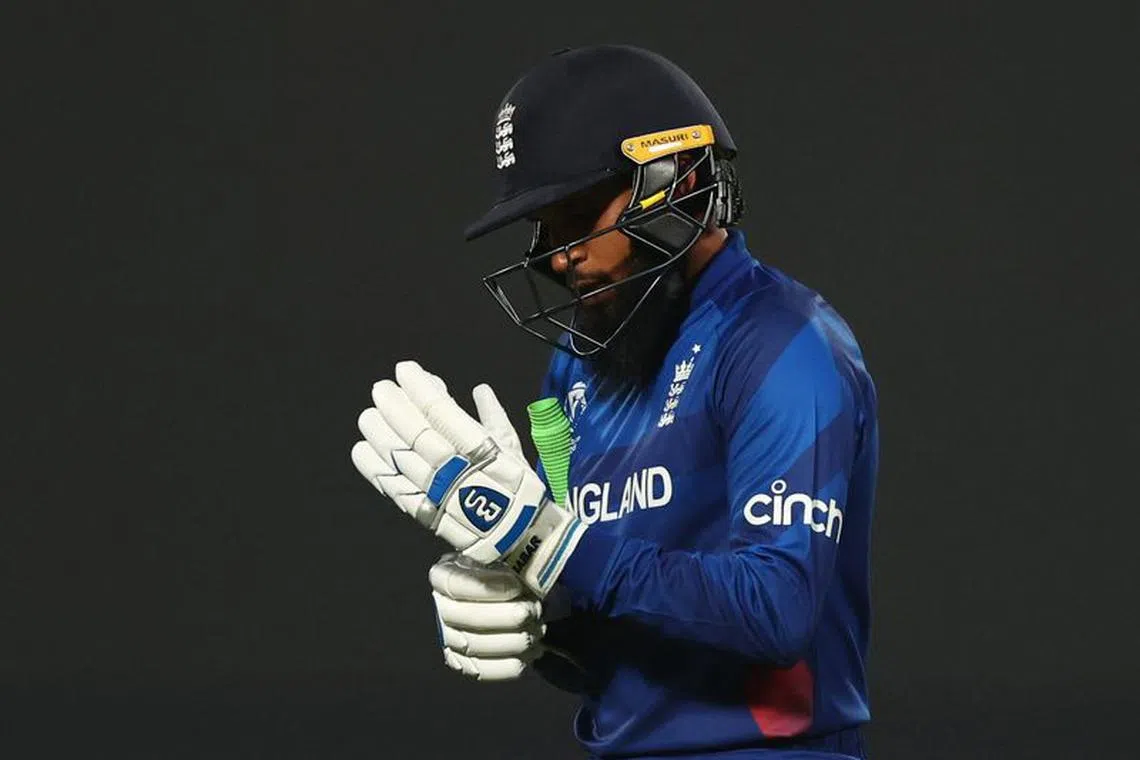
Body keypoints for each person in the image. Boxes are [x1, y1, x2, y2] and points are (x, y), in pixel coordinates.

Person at [352, 44, 879, 760]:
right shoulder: (576, 374)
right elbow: (615, 646)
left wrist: (547, 543)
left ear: (674, 176)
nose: (556, 255)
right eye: (542, 227)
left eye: (574, 214)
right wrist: (530, 614)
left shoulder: (782, 345)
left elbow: (775, 610)